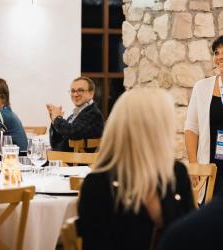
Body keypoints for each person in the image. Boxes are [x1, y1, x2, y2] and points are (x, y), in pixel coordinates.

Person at [77, 88, 195, 250]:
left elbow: (191, 237)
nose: (173, 129)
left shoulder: (176, 173)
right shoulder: (99, 185)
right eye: (168, 122)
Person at [185, 36, 223, 195]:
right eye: (216, 53)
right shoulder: (201, 87)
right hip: (210, 167)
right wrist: (194, 165)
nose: (219, 57)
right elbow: (191, 128)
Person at [46, 76, 104, 152]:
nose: (75, 94)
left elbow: (73, 132)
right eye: (73, 91)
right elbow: (56, 144)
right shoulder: (76, 114)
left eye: (80, 90)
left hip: (78, 162)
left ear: (91, 93)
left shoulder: (93, 114)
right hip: (64, 159)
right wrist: (54, 121)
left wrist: (58, 118)